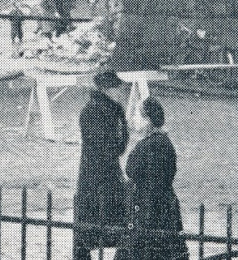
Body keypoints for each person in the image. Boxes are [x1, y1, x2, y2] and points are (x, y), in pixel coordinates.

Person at [120, 97, 188, 260]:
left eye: (138, 115)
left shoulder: (146, 145)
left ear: (148, 120)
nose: (134, 119)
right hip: (165, 204)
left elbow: (131, 170)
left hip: (147, 207)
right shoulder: (166, 142)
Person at [74, 70, 129, 260]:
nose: (120, 92)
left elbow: (119, 145)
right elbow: (104, 145)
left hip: (109, 172)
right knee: (93, 222)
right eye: (116, 88)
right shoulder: (93, 111)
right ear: (106, 90)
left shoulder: (115, 110)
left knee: (114, 222)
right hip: (96, 174)